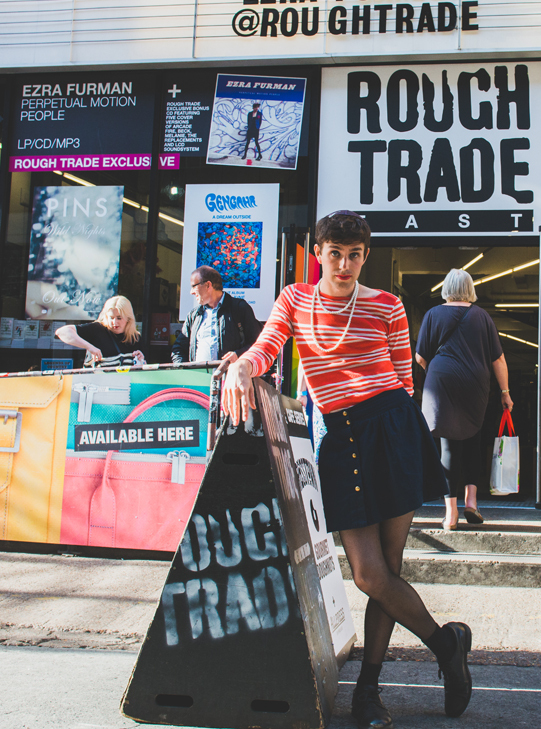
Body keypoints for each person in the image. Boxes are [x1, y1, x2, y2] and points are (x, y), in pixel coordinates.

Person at [223, 211, 472, 729]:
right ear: (318, 252)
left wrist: (394, 428)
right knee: (367, 573)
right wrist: (244, 365)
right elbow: (268, 346)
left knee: (391, 566)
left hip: (393, 430)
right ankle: (447, 644)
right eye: (335, 253)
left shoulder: (388, 305)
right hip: (341, 439)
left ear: (365, 257)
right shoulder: (294, 299)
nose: (344, 264)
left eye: (355, 255)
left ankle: (368, 692)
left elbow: (405, 380)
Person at [414, 269, 514, 530]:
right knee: (473, 440)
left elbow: (420, 356)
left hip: (441, 384)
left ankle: (451, 514)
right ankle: (472, 502)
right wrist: (505, 392)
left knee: (448, 446)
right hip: (476, 384)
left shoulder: (433, 314)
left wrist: (437, 371)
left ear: (446, 287)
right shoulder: (482, 316)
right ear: (470, 288)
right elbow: (498, 359)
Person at [171, 265, 261, 370]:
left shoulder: (239, 308)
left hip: (230, 381)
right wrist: (185, 373)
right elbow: (178, 349)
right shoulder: (194, 315)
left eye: (194, 286)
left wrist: (238, 354)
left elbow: (258, 344)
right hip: (198, 383)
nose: (191, 292)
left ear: (208, 285)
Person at [55, 295, 147, 368]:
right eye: (111, 318)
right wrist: (89, 347)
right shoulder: (97, 329)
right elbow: (62, 332)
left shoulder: (135, 338)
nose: (114, 322)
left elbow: (143, 372)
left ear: (128, 318)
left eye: (119, 318)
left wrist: (141, 361)